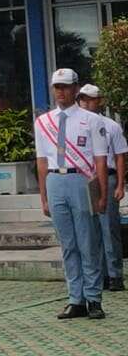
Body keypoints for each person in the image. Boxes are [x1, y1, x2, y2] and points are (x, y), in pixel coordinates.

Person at [38, 68, 110, 320]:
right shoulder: (43, 121)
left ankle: (93, 299)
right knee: (67, 244)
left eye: (66, 86)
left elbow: (100, 160)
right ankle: (75, 299)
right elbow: (41, 162)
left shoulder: (92, 120)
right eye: (57, 86)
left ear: (76, 88)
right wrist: (43, 196)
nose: (61, 91)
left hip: (81, 180)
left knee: (87, 242)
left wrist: (102, 194)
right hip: (55, 181)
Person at [79, 83, 127, 292]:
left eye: (91, 99)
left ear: (99, 101)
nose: (86, 103)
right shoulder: (75, 124)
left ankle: (115, 275)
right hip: (83, 178)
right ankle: (98, 275)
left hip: (106, 178)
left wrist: (120, 184)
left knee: (109, 228)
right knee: (89, 230)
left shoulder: (111, 126)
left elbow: (120, 157)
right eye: (83, 99)